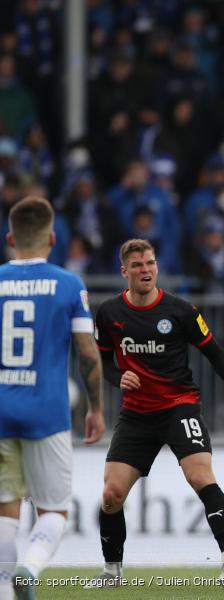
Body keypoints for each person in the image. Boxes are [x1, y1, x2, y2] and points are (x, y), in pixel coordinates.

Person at [87, 239, 224, 588]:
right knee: (111, 494)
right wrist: (117, 377)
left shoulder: (181, 310)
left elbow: (213, 351)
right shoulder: (109, 313)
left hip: (179, 406)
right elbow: (103, 362)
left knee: (200, 477)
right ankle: (112, 573)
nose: (145, 270)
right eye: (138, 265)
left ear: (157, 267)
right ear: (124, 271)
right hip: (136, 414)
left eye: (150, 263)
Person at [0, 196, 105, 600]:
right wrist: (95, 408)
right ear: (53, 238)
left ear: (10, 238)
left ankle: (5, 589)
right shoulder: (68, 284)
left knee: (5, 511)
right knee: (54, 511)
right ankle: (29, 568)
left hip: (1, 412)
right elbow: (87, 353)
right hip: (47, 412)